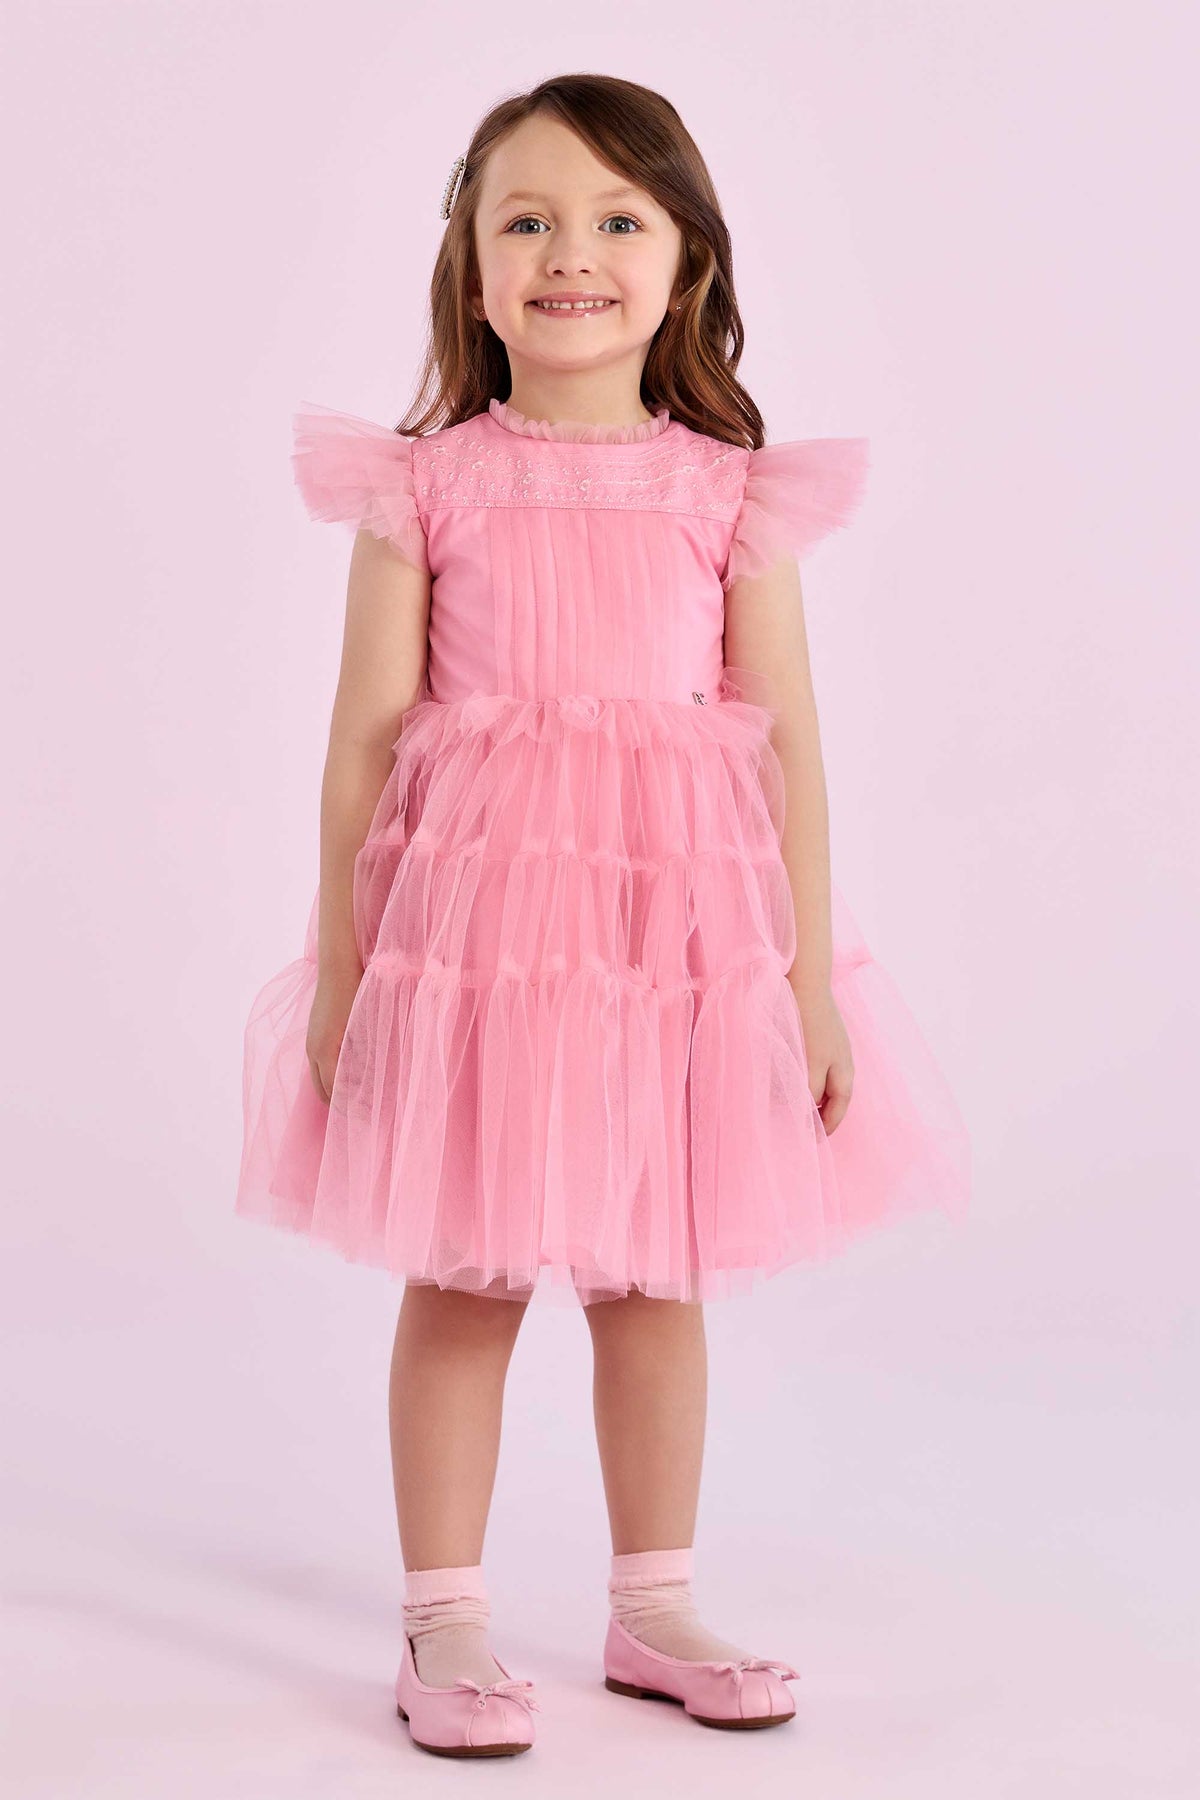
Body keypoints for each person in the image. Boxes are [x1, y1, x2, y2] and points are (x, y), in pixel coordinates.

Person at [236, 74, 971, 1756]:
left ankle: (654, 1606)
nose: (573, 254)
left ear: (687, 262)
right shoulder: (425, 488)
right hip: (474, 954)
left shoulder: (730, 495)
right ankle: (444, 1620)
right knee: (469, 1268)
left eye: (618, 219)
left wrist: (807, 983)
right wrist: (347, 975)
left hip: (675, 955)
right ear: (473, 268)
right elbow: (362, 748)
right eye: (529, 220)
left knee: (657, 1273)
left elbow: (787, 748)